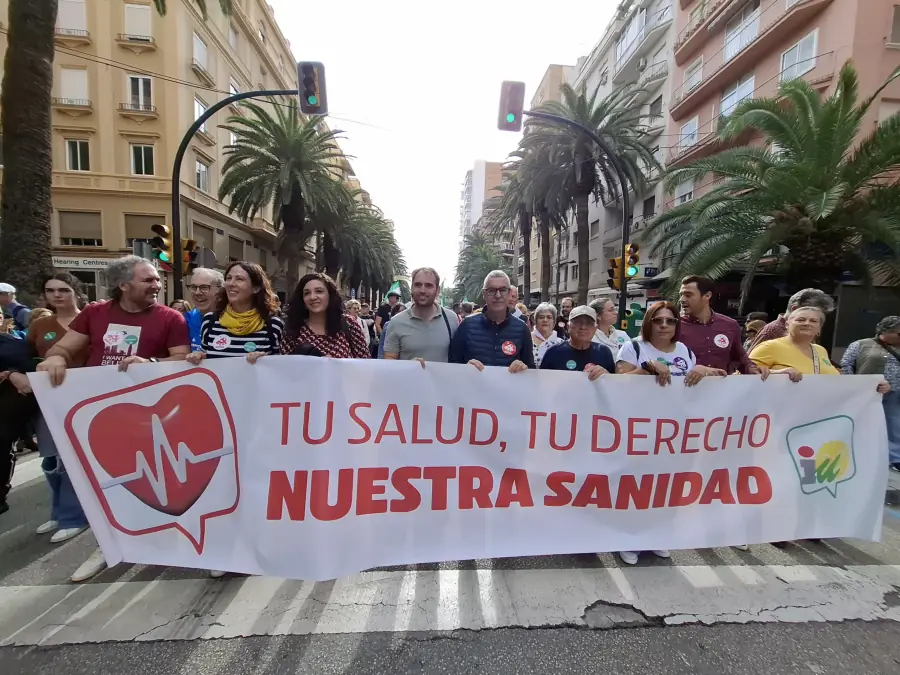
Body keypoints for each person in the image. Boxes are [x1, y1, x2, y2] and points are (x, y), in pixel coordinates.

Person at [36, 255, 191, 583]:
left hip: (153, 419)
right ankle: (108, 548)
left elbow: (181, 359)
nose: (157, 285)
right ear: (123, 285)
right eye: (148, 279)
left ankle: (171, 542)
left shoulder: (170, 317)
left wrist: (150, 363)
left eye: (157, 279)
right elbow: (62, 349)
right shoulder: (95, 314)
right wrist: (55, 359)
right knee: (108, 487)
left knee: (159, 484)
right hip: (101, 416)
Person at [27, 273, 90, 542]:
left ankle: (74, 516)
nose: (57, 295)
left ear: (75, 291)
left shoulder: (90, 320)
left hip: (83, 397)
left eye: (63, 290)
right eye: (50, 290)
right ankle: (59, 512)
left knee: (75, 459)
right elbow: (28, 356)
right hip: (48, 398)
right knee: (52, 459)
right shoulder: (40, 325)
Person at [187, 261, 283, 363]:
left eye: (239, 279)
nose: (231, 284)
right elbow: (206, 356)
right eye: (228, 278)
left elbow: (280, 365)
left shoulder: (273, 325)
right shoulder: (210, 321)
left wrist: (265, 360)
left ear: (255, 288)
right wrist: (198, 356)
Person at [841, 316, 900, 471]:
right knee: (862, 422)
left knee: (894, 425)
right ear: (885, 331)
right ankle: (857, 453)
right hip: (866, 392)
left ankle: (895, 458)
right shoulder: (861, 344)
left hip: (895, 393)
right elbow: (846, 365)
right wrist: (852, 385)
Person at [616, 301, 717, 387]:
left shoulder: (685, 350)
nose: (664, 325)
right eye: (657, 321)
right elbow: (617, 383)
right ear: (648, 323)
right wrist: (647, 368)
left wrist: (702, 370)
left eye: (670, 321)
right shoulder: (632, 347)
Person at [449, 270, 534, 373]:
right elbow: (452, 365)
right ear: (484, 294)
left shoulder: (522, 329)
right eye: (491, 290)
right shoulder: (466, 327)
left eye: (503, 290)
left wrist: (523, 368)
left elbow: (531, 370)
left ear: (509, 294)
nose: (497, 295)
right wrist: (464, 368)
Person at [678, 276, 763, 377]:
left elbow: (740, 359)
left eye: (688, 295)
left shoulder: (730, 325)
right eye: (681, 295)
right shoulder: (674, 325)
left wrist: (754, 369)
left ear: (707, 295)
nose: (682, 300)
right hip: (684, 385)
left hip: (720, 386)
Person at [281, 273, 370, 359]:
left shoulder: (349, 324)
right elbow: (285, 365)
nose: (312, 297)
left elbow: (364, 363)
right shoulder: (293, 329)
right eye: (307, 293)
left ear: (330, 296)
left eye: (319, 291)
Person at [384, 267, 459, 363]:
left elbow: (458, 356)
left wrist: (469, 366)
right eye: (418, 285)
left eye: (428, 285)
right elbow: (389, 359)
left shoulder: (451, 319)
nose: (422, 290)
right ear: (412, 288)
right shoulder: (396, 322)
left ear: (437, 290)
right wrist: (409, 366)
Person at [540, 305, 615, 379]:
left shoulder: (604, 352)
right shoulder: (553, 353)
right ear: (568, 326)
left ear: (595, 328)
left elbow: (613, 383)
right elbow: (541, 382)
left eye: (589, 323)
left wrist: (607, 376)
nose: (583, 327)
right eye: (577, 322)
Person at [750, 289, 834, 350]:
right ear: (794, 309)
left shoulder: (805, 331)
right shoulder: (772, 331)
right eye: (812, 313)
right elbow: (750, 365)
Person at [186, 268, 225, 351]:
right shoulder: (185, 320)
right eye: (193, 287)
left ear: (221, 291)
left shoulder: (233, 320)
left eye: (204, 287)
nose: (197, 292)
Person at [530, 302, 564, 368]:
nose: (545, 320)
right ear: (535, 320)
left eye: (549, 317)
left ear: (554, 321)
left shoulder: (561, 343)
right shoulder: (526, 340)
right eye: (541, 317)